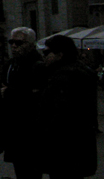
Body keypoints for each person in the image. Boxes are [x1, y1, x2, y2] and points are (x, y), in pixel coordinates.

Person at [39, 35, 97, 178]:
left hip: (65, 148)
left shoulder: (64, 77)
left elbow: (61, 115)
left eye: (47, 53)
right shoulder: (79, 72)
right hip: (78, 146)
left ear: (60, 54)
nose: (44, 56)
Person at [0, 27, 46, 179]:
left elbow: (37, 95)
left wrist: (10, 92)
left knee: (32, 170)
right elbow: (0, 88)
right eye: (12, 42)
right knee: (20, 168)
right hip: (12, 125)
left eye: (19, 43)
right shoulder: (10, 64)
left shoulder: (37, 65)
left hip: (31, 127)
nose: (14, 46)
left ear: (30, 44)